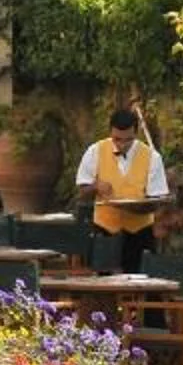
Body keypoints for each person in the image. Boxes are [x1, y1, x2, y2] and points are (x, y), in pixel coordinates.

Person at [74, 106, 170, 270]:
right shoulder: (95, 151)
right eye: (117, 139)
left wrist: (135, 207)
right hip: (104, 232)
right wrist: (96, 186)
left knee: (140, 284)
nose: (122, 145)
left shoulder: (152, 157)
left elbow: (157, 200)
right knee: (102, 285)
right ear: (110, 132)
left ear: (136, 134)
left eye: (128, 140)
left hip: (140, 233)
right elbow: (82, 193)